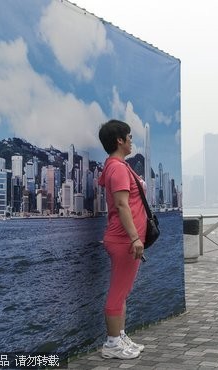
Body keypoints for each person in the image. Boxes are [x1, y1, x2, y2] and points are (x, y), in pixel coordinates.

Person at [97, 119, 146, 359]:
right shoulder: (116, 167)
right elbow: (121, 204)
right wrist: (135, 238)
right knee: (117, 292)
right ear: (120, 140)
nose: (131, 140)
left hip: (127, 239)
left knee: (123, 291)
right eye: (129, 136)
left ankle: (120, 335)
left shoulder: (121, 166)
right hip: (123, 240)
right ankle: (112, 344)